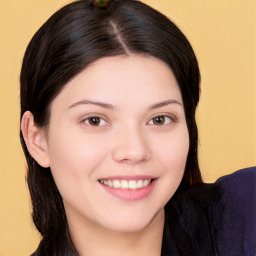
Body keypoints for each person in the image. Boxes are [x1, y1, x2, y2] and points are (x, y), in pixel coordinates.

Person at [20, 0, 255, 255]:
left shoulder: (245, 212)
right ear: (37, 139)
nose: (134, 150)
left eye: (159, 119)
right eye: (94, 120)